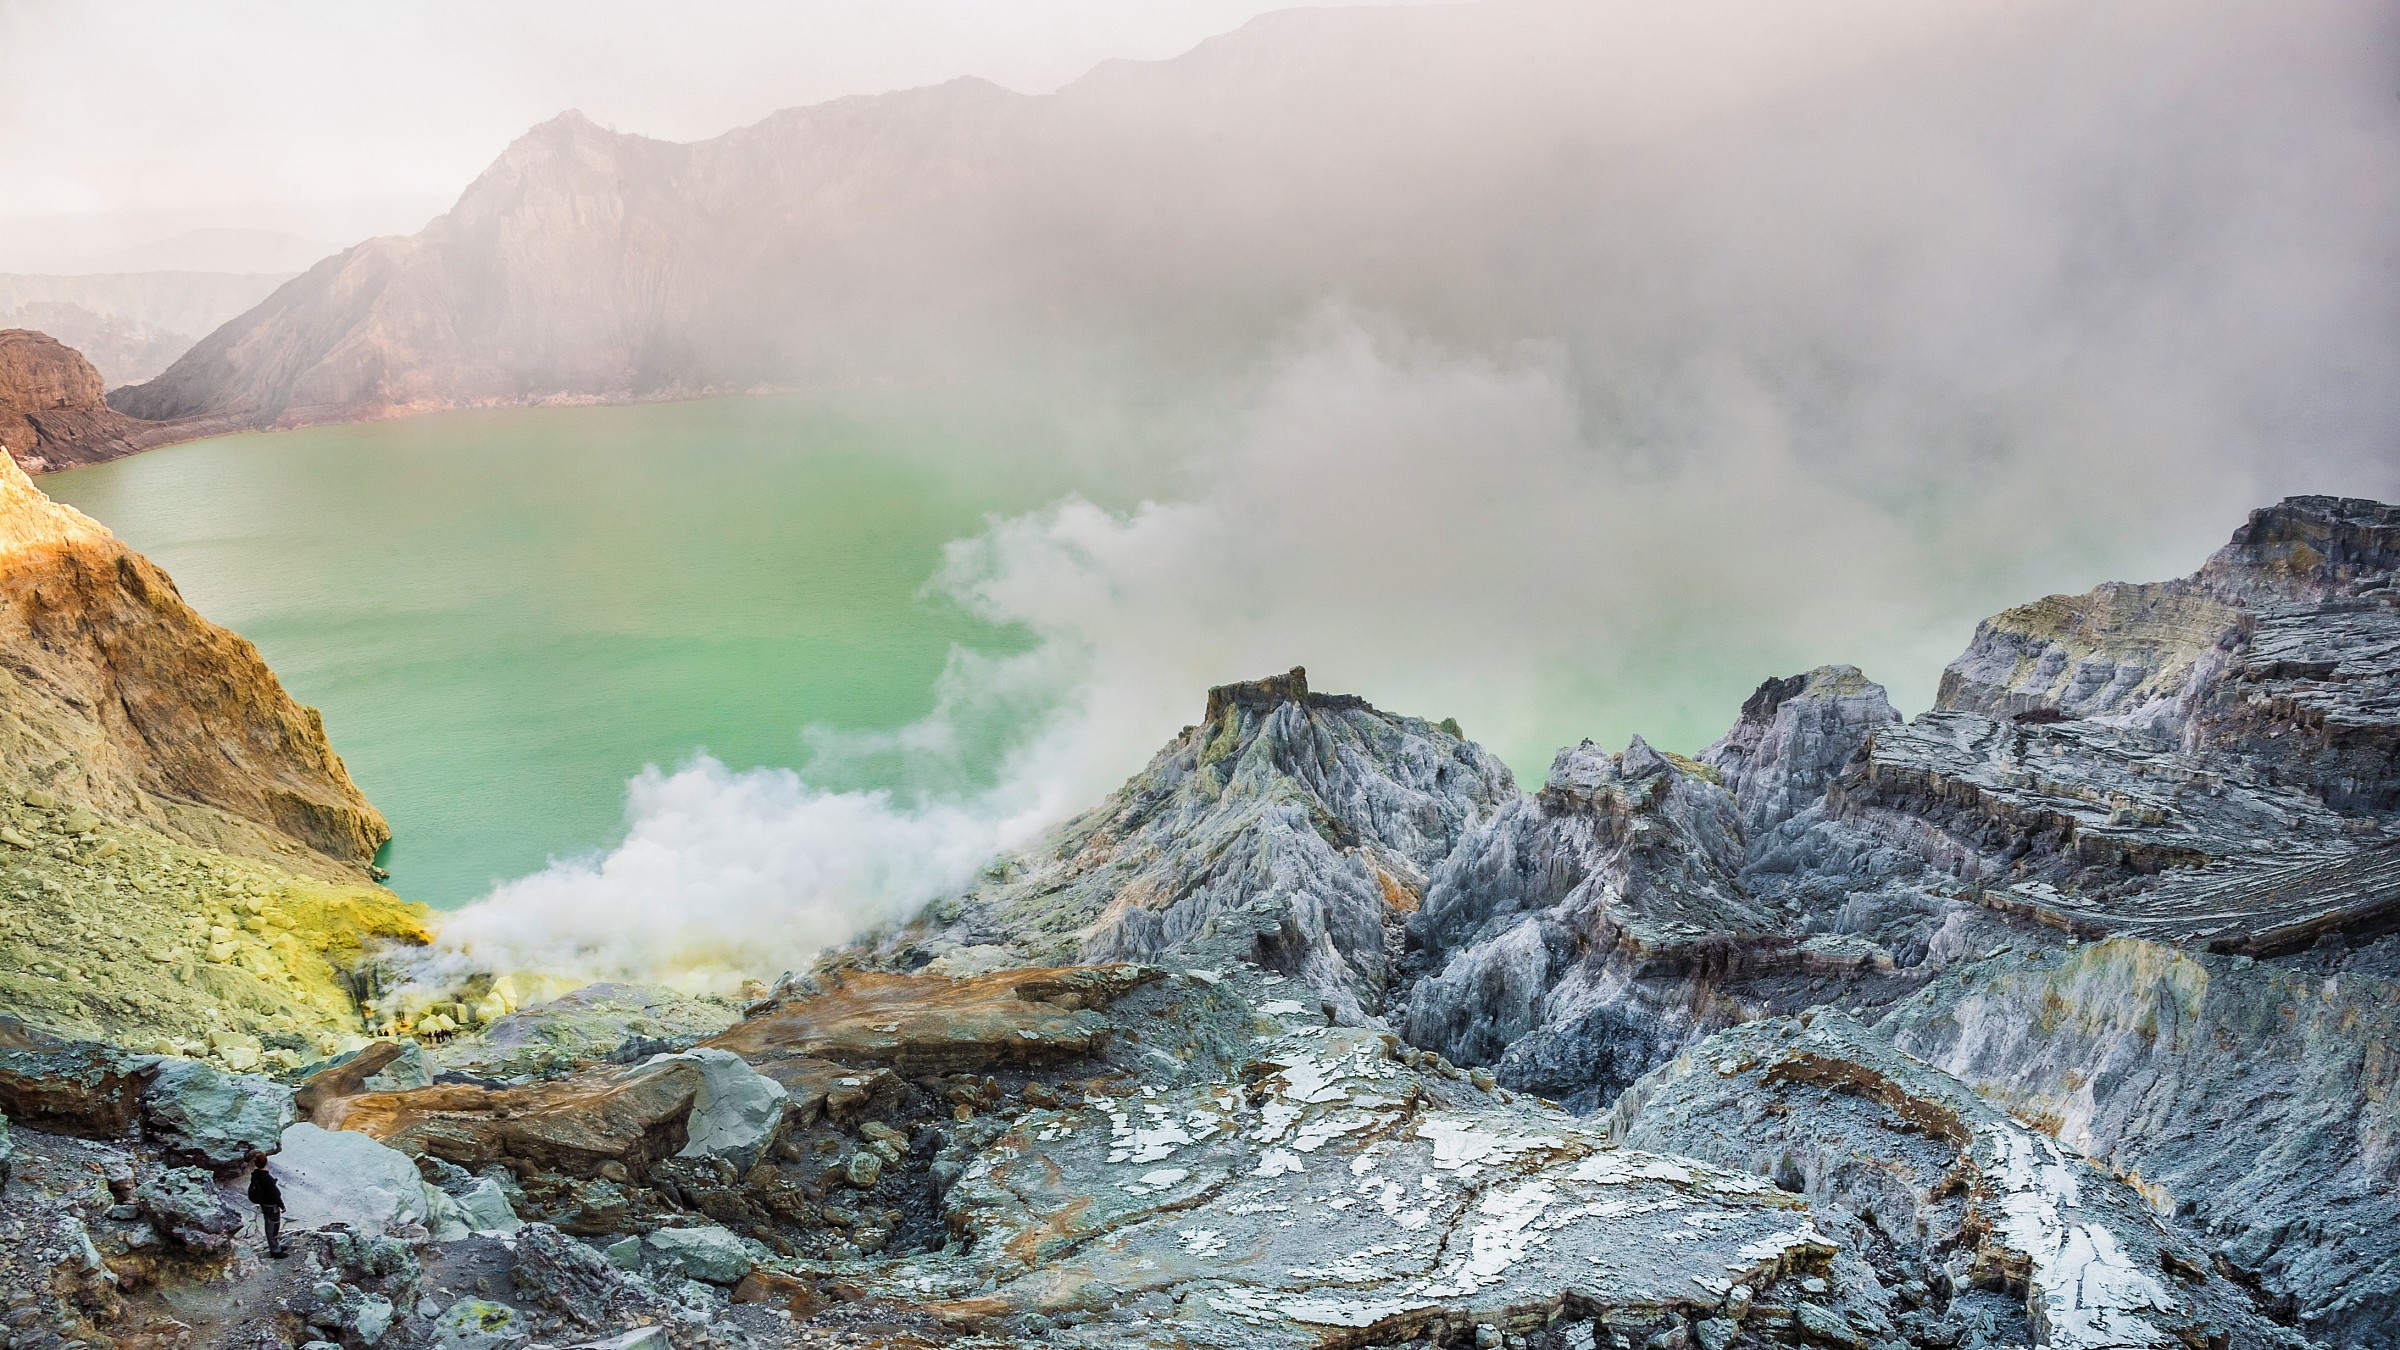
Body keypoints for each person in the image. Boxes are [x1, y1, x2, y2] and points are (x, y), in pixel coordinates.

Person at [246, 1153, 288, 1258]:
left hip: (264, 1204)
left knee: (271, 1225)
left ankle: (276, 1245)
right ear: (266, 1162)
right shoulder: (267, 1178)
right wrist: (282, 1206)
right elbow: (275, 1194)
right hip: (271, 1205)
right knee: (273, 1227)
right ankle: (275, 1250)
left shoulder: (255, 1175)